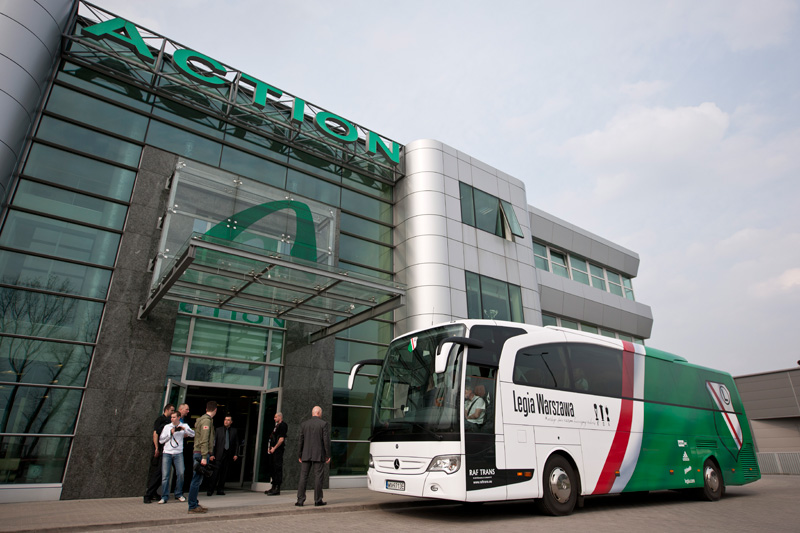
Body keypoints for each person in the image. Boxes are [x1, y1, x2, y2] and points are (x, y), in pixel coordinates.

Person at [295, 406, 330, 507]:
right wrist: (328, 455)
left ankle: (300, 500)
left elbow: (300, 441)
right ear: (319, 413)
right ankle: (318, 500)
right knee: (318, 477)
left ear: (313, 413)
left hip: (305, 454)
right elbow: (326, 441)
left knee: (303, 476)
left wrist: (299, 454)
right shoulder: (323, 424)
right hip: (318, 454)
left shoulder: (304, 424)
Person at [158, 411, 195, 503]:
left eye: (174, 417)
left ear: (179, 417)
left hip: (178, 453)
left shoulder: (184, 425)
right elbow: (161, 440)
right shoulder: (167, 427)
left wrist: (184, 430)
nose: (172, 419)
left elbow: (193, 434)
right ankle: (164, 496)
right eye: (171, 417)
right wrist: (170, 433)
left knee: (181, 473)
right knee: (165, 476)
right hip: (167, 452)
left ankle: (178, 493)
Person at [188, 400, 217, 514]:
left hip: (200, 452)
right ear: (215, 410)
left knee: (198, 479)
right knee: (196, 480)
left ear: (206, 409)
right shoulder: (206, 421)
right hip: (201, 453)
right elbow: (204, 439)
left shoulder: (202, 419)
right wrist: (205, 456)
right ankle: (192, 506)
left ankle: (194, 503)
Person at [144, 404, 174, 504]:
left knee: (162, 473)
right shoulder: (160, 420)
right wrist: (156, 448)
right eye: (171, 410)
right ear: (167, 410)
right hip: (160, 449)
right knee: (158, 472)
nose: (172, 412)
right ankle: (148, 494)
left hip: (166, 449)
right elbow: (155, 433)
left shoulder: (170, 421)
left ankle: (153, 492)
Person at [207, 415, 239, 496]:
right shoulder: (218, 430)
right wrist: (212, 454)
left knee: (224, 473)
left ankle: (220, 489)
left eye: (228, 420)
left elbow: (236, 443)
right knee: (215, 473)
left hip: (228, 454)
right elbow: (214, 443)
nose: (226, 421)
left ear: (231, 422)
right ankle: (210, 490)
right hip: (218, 454)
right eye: (225, 420)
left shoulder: (234, 431)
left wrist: (235, 454)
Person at [264, 412, 287, 496]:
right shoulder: (276, 426)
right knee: (272, 467)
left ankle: (277, 487)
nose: (274, 419)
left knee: (277, 467)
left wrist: (275, 448)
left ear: (280, 417)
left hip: (278, 450)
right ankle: (273, 486)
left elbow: (281, 439)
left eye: (275, 417)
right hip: (272, 450)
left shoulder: (283, 425)